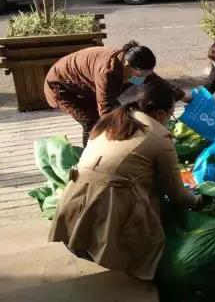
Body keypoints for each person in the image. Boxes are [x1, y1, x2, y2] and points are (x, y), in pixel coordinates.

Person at [49, 82, 204, 280]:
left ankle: (95, 245)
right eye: (171, 114)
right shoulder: (159, 137)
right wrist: (200, 200)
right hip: (107, 219)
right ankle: (122, 252)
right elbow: (177, 195)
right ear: (158, 113)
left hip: (71, 221)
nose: (170, 119)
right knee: (156, 204)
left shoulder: (110, 121)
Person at [45, 41, 186, 146]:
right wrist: (121, 140)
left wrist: (182, 95)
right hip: (61, 87)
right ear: (128, 66)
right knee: (92, 122)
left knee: (122, 111)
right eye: (140, 74)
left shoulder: (133, 61)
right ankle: (89, 159)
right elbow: (105, 110)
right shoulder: (108, 73)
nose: (143, 78)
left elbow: (154, 81)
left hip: (86, 85)